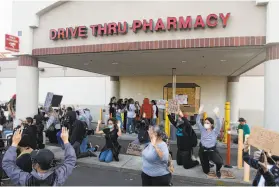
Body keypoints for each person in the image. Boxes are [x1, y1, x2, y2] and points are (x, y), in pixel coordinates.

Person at [2, 127, 76, 186]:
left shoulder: (25, 179)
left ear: (36, 165)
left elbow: (7, 164)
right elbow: (71, 160)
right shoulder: (58, 177)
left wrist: (14, 143)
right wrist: (66, 141)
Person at [197, 105, 223, 178]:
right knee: (206, 171)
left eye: (207, 123)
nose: (205, 124)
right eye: (205, 122)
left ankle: (218, 170)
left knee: (219, 162)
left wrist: (217, 115)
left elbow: (219, 124)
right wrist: (199, 113)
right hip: (203, 151)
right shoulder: (202, 130)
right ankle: (207, 164)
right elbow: (197, 122)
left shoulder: (215, 131)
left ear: (211, 124)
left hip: (211, 150)